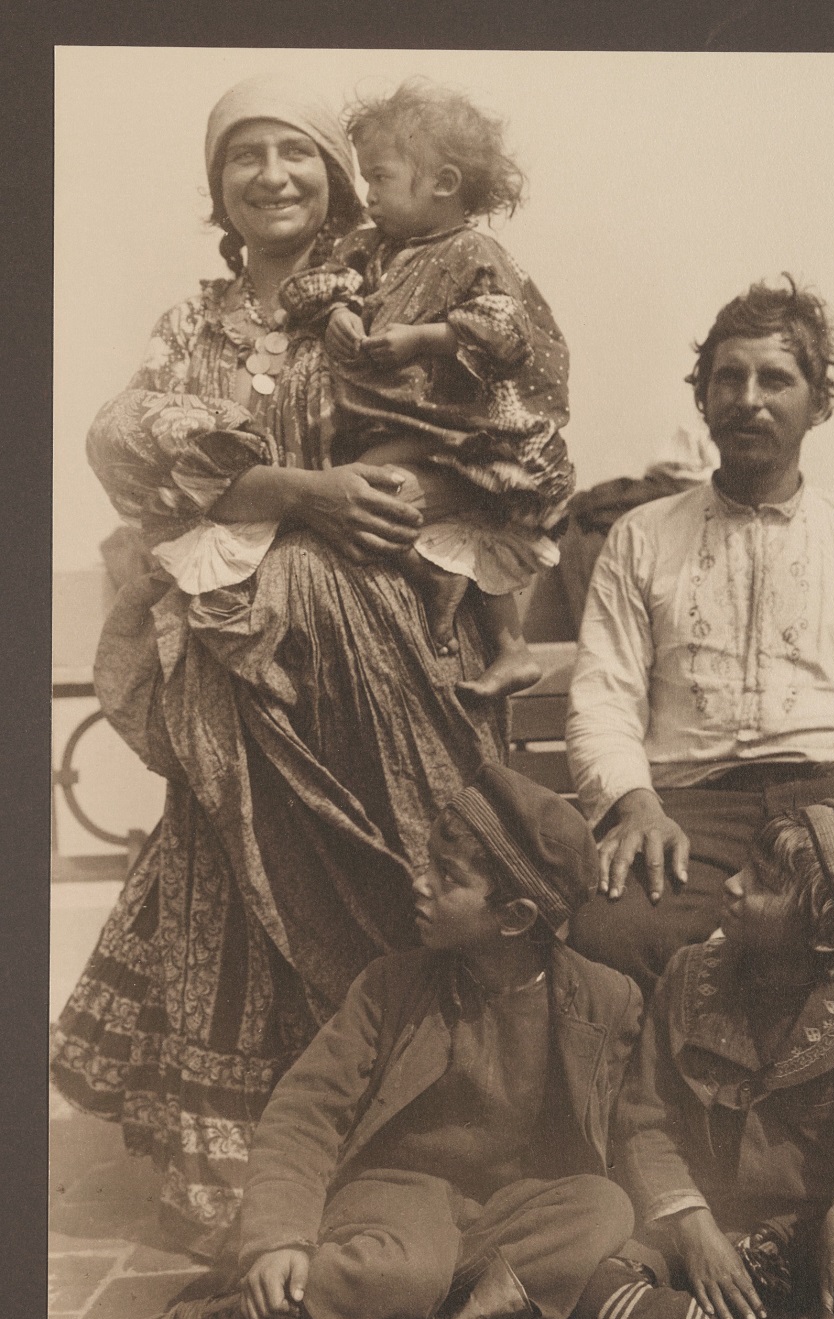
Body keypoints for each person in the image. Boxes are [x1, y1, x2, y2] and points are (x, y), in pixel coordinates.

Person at [50, 74, 508, 1259]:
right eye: (243, 155)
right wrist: (294, 490)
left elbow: (493, 429)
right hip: (236, 656)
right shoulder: (191, 329)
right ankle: (237, 1181)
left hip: (378, 657)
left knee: (395, 866)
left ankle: (403, 1154)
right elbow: (124, 439)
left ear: (334, 173)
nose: (272, 175)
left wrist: (401, 485)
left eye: (294, 152)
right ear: (218, 187)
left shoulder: (392, 289)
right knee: (236, 892)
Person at [565, 276, 834, 1083]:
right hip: (691, 809)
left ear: (818, 403)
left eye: (776, 379)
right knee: (607, 934)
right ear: (704, 397)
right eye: (729, 378)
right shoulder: (642, 538)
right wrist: (634, 803)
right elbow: (603, 697)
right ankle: (667, 1147)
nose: (749, 399)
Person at [136, 765, 643, 1319]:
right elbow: (305, 1114)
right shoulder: (391, 988)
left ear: (515, 917)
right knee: (405, 1272)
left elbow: (633, 1131)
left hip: (503, 1213)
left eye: (445, 876)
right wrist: (279, 1240)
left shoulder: (605, 1001)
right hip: (395, 1199)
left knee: (603, 1205)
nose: (420, 882)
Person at [576, 795, 834, 1319]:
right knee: (590, 1278)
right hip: (702, 1230)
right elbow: (645, 1121)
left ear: (826, 936)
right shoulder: (687, 977)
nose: (733, 884)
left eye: (761, 882)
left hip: (813, 1239)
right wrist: (693, 1229)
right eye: (742, 867)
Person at [280, 78, 575, 700]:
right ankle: (464, 605)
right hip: (400, 422)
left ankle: (503, 639)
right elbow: (309, 285)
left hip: (463, 429)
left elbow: (506, 330)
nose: (368, 195)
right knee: (363, 492)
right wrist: (336, 309)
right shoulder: (368, 248)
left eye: (381, 178)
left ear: (442, 183)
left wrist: (426, 338)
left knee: (372, 485)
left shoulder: (473, 251)